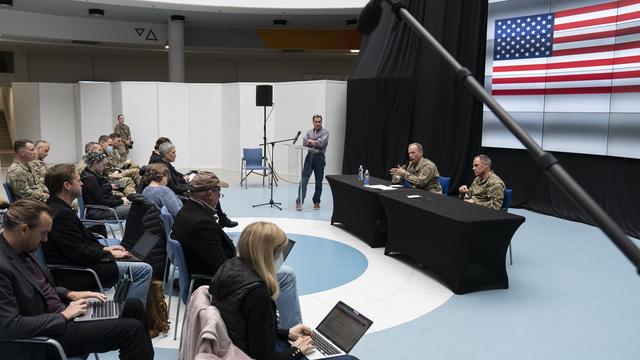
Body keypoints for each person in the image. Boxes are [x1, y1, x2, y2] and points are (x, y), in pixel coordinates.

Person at [0, 199, 154, 360]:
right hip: (45, 337)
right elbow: (9, 326)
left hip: (63, 313)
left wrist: (70, 293)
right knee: (131, 330)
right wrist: (63, 316)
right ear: (24, 230)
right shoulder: (3, 265)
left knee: (134, 307)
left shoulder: (21, 248)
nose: (45, 239)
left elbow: (41, 287)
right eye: (43, 233)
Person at [210, 222, 359, 360]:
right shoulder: (257, 294)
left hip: (240, 346)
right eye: (280, 251)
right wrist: (296, 350)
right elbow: (263, 357)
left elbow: (251, 328)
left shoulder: (230, 267)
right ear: (267, 255)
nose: (281, 256)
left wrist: (286, 333)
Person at [172, 172, 301, 328]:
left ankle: (269, 320)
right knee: (286, 274)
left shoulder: (186, 212)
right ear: (211, 194)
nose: (220, 197)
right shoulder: (202, 223)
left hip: (202, 274)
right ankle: (292, 328)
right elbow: (221, 268)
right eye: (219, 193)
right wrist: (250, 261)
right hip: (214, 282)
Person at [44, 164, 152, 304]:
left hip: (80, 264)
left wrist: (105, 249)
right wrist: (109, 254)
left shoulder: (59, 207)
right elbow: (80, 253)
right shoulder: (60, 214)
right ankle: (132, 315)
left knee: (134, 258)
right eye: (78, 180)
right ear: (67, 185)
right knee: (144, 270)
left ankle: (123, 308)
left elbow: (80, 243)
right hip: (77, 272)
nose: (82, 183)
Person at [152, 141, 237, 227]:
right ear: (166, 154)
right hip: (180, 194)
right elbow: (175, 188)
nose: (175, 155)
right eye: (173, 152)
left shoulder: (167, 165)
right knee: (209, 190)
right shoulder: (164, 168)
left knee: (210, 189)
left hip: (182, 189)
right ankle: (219, 219)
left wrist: (186, 179)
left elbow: (176, 178)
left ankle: (220, 218)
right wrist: (191, 187)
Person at [80, 150, 131, 220]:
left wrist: (122, 198)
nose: (104, 168)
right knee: (136, 208)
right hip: (98, 211)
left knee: (135, 205)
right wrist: (121, 201)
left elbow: (103, 195)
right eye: (103, 165)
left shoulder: (91, 175)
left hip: (101, 208)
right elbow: (101, 202)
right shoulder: (90, 179)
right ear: (95, 163)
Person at [296, 114, 329, 210]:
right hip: (309, 157)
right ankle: (299, 201)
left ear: (321, 122)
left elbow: (322, 143)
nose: (317, 123)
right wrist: (315, 141)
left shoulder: (325, 132)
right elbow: (305, 142)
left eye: (319, 122)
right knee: (304, 180)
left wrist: (312, 141)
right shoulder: (309, 131)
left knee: (318, 181)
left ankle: (316, 201)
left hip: (319, 158)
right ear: (313, 122)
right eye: (316, 122)